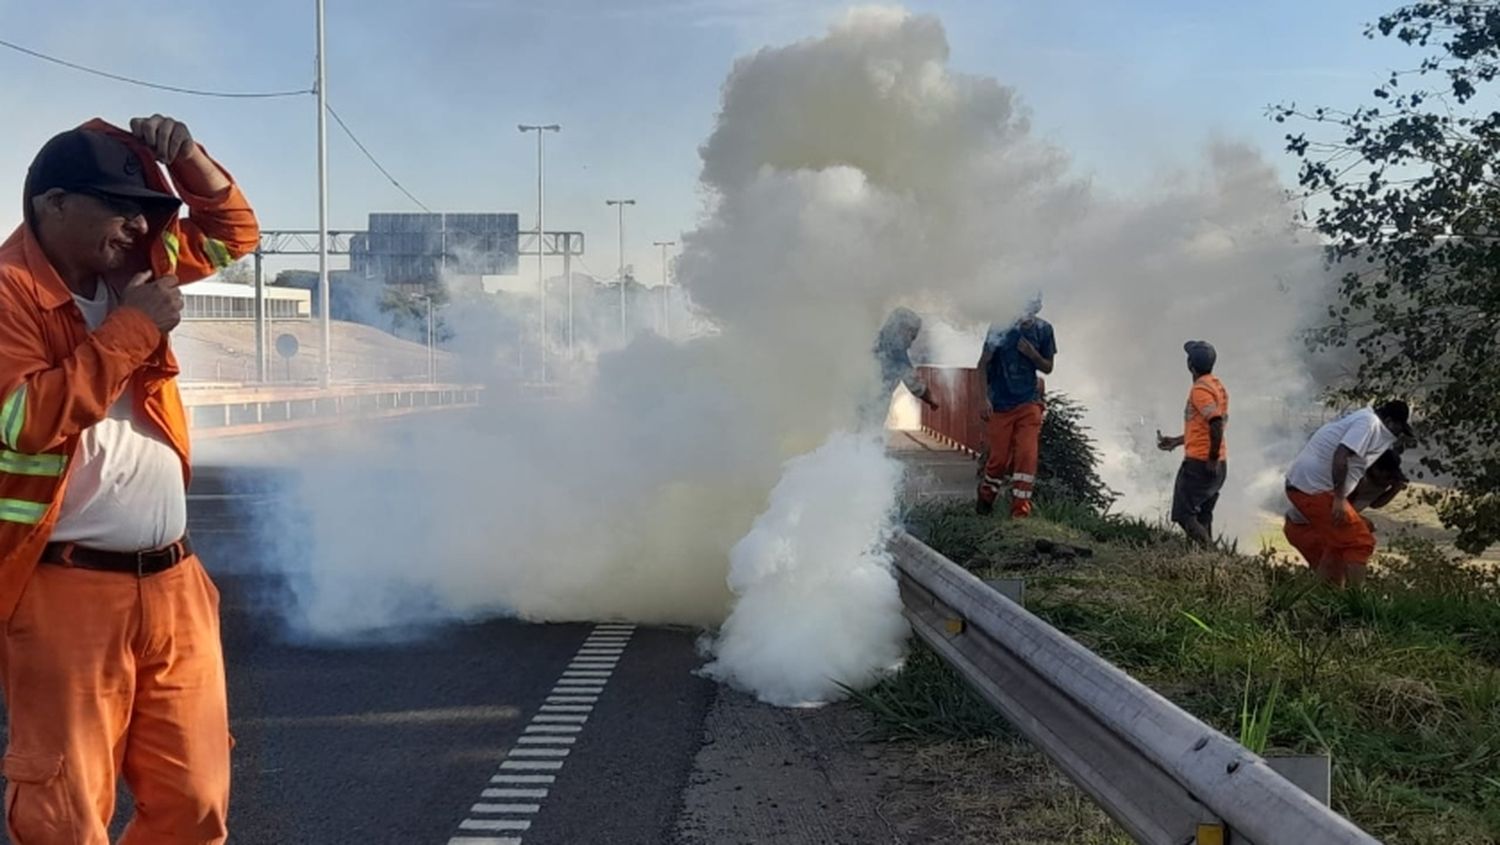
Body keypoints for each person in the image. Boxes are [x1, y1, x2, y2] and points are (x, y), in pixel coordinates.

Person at [0, 116, 259, 843]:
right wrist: (135, 327)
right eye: (120, 205)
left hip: (174, 582)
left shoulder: (139, 256)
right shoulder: (8, 292)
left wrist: (190, 159)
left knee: (197, 799)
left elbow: (234, 233)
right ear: (52, 204)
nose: (139, 223)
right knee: (65, 814)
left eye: (148, 208)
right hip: (64, 590)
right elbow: (24, 418)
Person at [1282, 401, 1416, 587]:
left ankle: (1328, 600)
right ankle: (1356, 604)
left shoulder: (1363, 420)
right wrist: (1339, 499)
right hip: (1315, 490)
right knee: (1360, 542)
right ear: (1389, 420)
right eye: (1398, 429)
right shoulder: (1368, 423)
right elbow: (1341, 456)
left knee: (1340, 546)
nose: (1396, 435)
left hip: (1311, 488)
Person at [976, 295, 1056, 517]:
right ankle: (986, 497)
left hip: (1029, 403)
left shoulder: (1045, 330)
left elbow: (1048, 367)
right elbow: (982, 364)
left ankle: (1020, 511)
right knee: (999, 460)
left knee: (1027, 457)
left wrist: (1033, 355)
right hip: (1000, 404)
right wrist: (983, 399)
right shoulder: (1000, 326)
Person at [1156, 341, 1229, 545]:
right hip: (1218, 463)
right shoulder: (1217, 385)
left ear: (1190, 365)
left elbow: (1215, 424)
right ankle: (1205, 564)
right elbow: (1205, 428)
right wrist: (1177, 441)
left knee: (1183, 514)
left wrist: (1211, 459)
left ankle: (1211, 557)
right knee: (1203, 515)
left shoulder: (1200, 390)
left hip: (1200, 464)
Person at [870, 307, 939, 424]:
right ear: (903, 330)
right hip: (874, 402)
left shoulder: (875, 340)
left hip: (859, 401)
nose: (910, 344)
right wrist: (931, 399)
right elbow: (912, 382)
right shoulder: (895, 348)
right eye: (911, 337)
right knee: (868, 432)